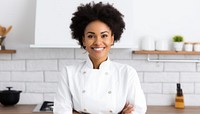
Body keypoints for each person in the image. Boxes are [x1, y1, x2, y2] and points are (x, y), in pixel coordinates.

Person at [54, 2, 146, 114]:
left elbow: (138, 110)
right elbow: (61, 111)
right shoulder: (69, 73)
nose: (98, 42)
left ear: (112, 39)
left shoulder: (127, 73)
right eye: (91, 36)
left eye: (104, 36)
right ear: (83, 40)